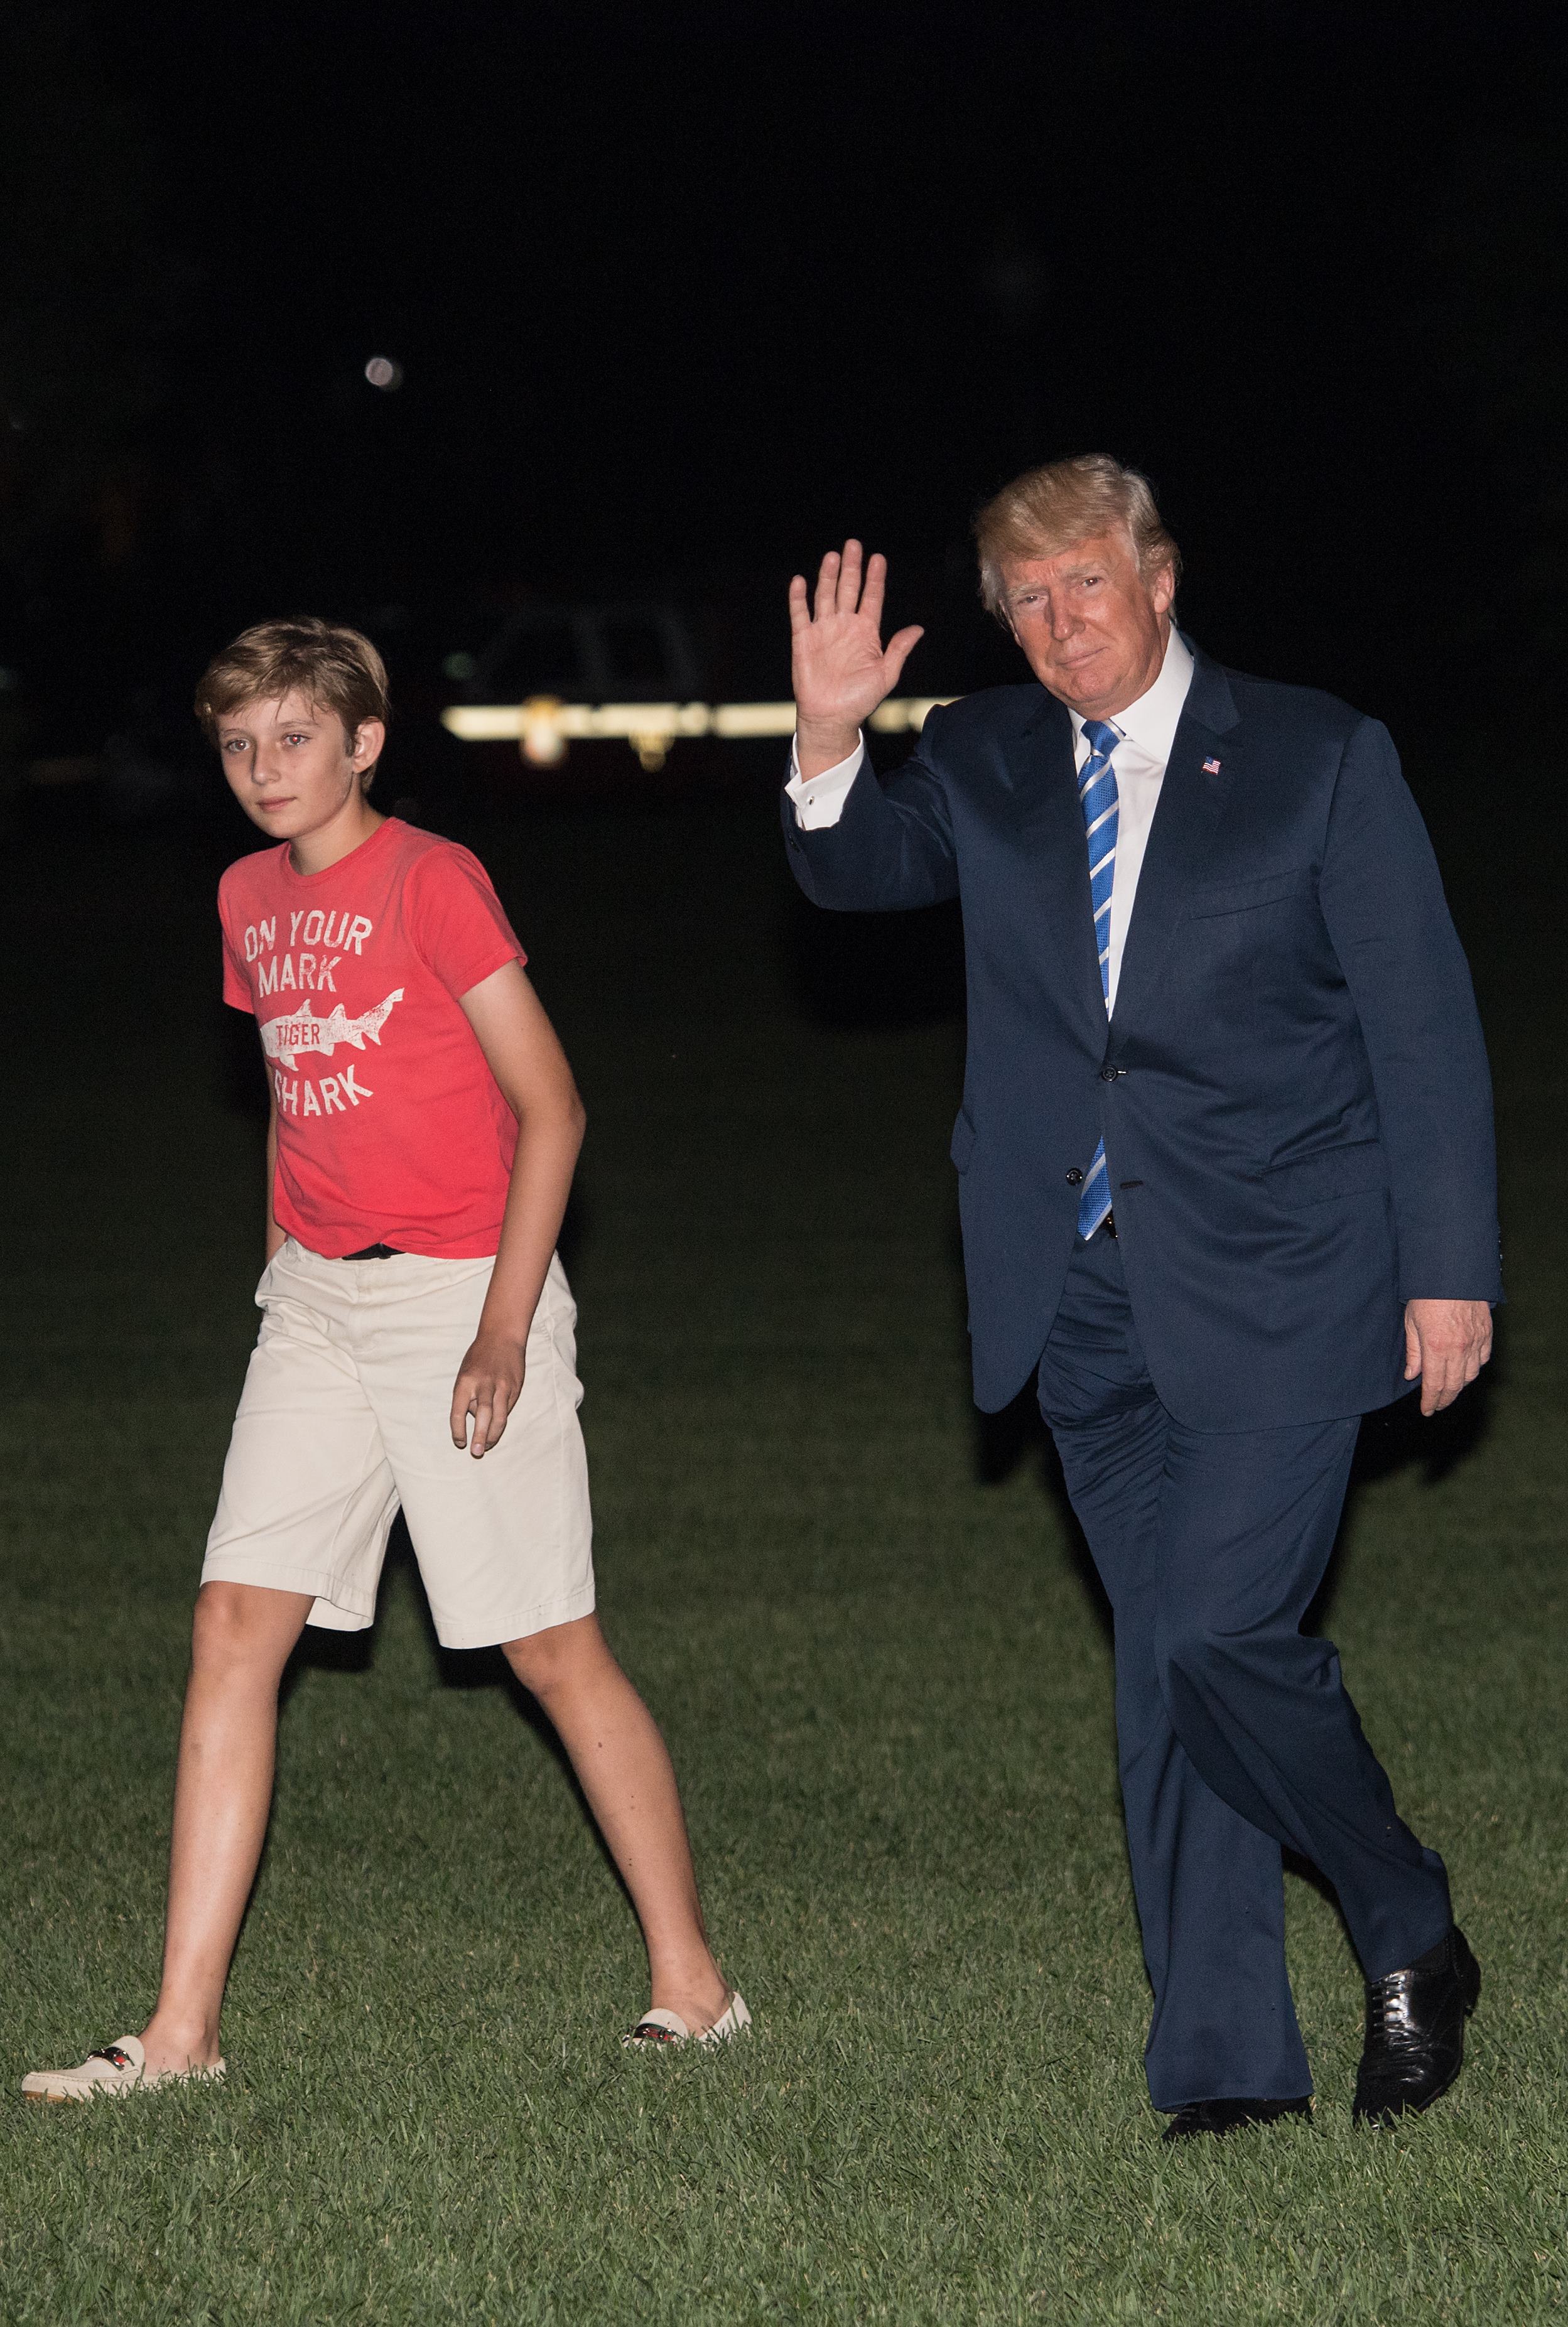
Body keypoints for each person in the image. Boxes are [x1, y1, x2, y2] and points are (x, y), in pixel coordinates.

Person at [781, 458, 1498, 2139]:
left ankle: (1404, 1919)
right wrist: (825, 739)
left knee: (1214, 1638)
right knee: (1165, 1680)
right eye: (1023, 600)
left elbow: (1423, 1026)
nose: (1054, 626)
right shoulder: (983, 752)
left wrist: (1449, 1268)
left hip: (1284, 1278)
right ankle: (1230, 2066)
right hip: (1076, 1293)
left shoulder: (1318, 754)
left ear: (1160, 577)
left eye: (1083, 585)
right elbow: (851, 876)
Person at [24, 618, 747, 2102]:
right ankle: (180, 2034)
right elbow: (297, 1095)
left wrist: (498, 1325)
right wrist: (281, 1257)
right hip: (317, 1304)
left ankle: (697, 1982)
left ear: (365, 740)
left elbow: (552, 1109)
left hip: (463, 1292)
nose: (262, 766)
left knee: (546, 1643)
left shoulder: (432, 877)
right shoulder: (241, 894)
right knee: (235, 1621)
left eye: (294, 735)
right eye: (237, 742)